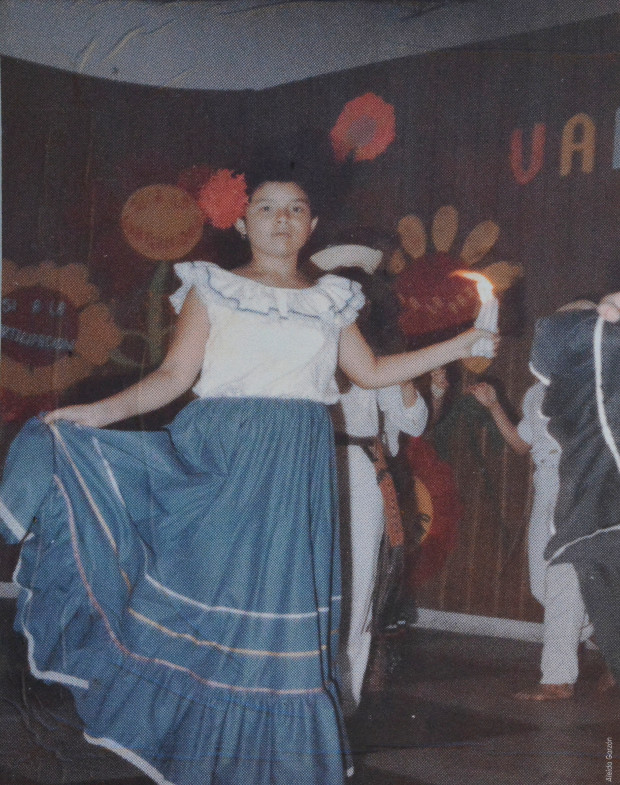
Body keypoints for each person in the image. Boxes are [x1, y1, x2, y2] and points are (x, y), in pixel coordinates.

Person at [0, 174, 495, 785]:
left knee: (279, 616)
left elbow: (369, 372)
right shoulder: (213, 287)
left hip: (297, 470)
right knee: (216, 605)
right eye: (266, 208)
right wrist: (96, 414)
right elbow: (173, 377)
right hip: (221, 459)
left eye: (295, 209)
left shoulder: (332, 299)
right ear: (242, 222)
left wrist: (460, 344)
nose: (281, 219)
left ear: (312, 225)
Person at [468, 376, 593, 700]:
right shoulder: (536, 392)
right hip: (546, 487)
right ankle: (610, 635)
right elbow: (521, 444)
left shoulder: (595, 383)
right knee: (543, 586)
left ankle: (557, 679)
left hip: (578, 486)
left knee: (564, 580)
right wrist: (494, 405)